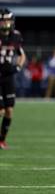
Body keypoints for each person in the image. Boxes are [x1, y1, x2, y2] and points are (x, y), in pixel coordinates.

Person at [0, 8, 26, 150]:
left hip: (8, 76)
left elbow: (22, 55)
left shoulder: (16, 36)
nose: (5, 23)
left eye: (7, 20)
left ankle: (2, 140)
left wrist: (18, 67)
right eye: (3, 20)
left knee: (9, 110)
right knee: (1, 111)